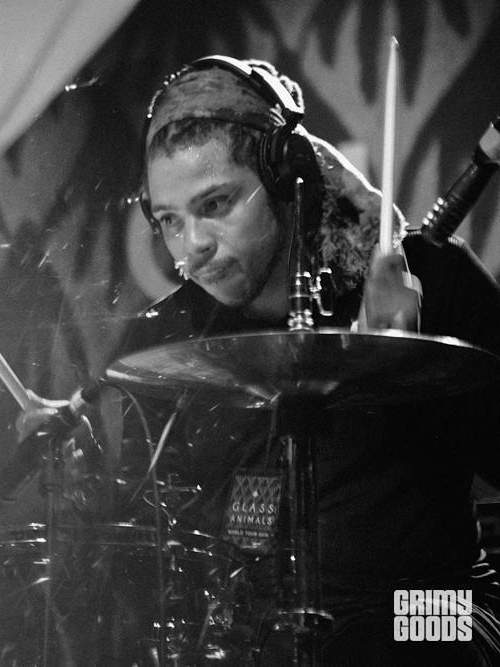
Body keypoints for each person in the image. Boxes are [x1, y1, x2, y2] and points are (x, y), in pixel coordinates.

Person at [106, 54, 500, 664]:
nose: (193, 246)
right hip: (255, 631)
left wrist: (403, 364)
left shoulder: (426, 275)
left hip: (435, 607)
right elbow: (144, 544)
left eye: (215, 205)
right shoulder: (168, 341)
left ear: (284, 178)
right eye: (170, 221)